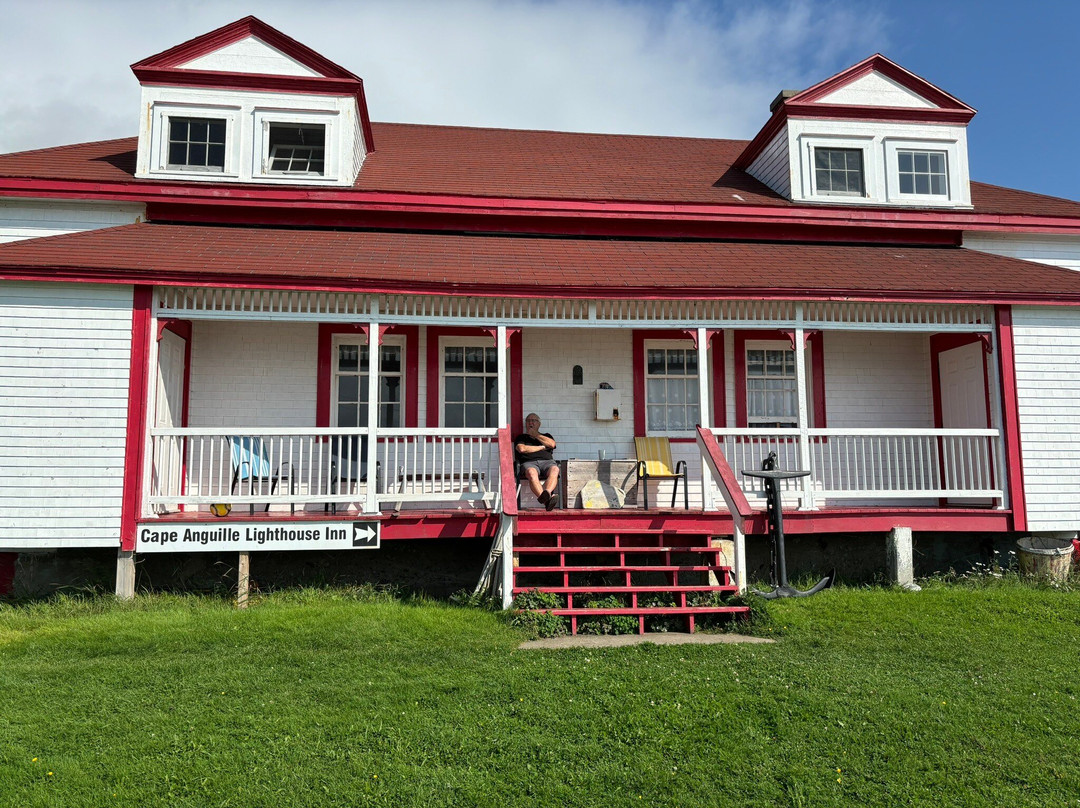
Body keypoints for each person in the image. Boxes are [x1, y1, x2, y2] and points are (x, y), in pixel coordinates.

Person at [514, 413, 560, 511]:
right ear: (526, 424)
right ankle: (547, 501)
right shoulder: (522, 437)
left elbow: (552, 444)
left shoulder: (546, 436)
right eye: (528, 421)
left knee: (555, 469)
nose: (531, 422)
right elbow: (522, 449)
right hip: (529, 463)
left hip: (547, 462)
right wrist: (542, 447)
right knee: (531, 473)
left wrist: (536, 435)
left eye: (534, 420)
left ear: (539, 424)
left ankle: (546, 493)